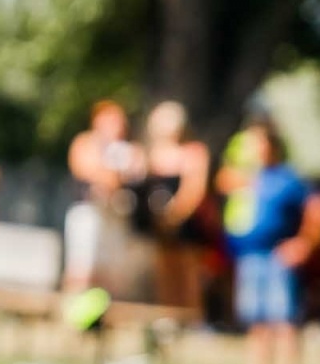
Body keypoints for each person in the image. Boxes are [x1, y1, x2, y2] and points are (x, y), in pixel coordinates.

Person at [217, 120, 320, 364]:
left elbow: (319, 207)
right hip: (249, 256)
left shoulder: (287, 178)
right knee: (256, 321)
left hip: (277, 257)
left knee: (283, 320)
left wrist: (304, 242)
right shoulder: (247, 177)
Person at [133, 100, 211, 316]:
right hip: (159, 222)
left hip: (185, 222)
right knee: (164, 271)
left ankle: (192, 318)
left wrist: (174, 215)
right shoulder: (150, 154)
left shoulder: (194, 152)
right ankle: (168, 317)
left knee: (188, 272)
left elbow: (194, 190)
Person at [64, 100, 144, 292]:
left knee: (110, 271)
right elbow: (86, 169)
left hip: (116, 214)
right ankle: (74, 309)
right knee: (82, 266)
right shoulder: (84, 142)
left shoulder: (129, 149)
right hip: (89, 211)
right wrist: (114, 175)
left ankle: (100, 314)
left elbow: (140, 172)